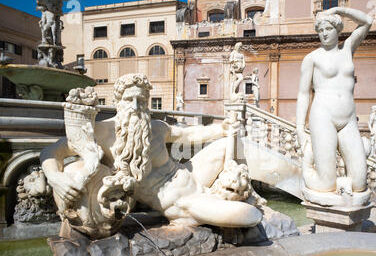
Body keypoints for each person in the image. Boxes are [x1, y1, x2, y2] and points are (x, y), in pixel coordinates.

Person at [41, 74, 262, 238]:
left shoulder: (155, 127)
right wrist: (55, 178)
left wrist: (221, 129)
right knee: (249, 215)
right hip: (183, 202)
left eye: (142, 100)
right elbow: (52, 151)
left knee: (226, 144)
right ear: (118, 102)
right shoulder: (102, 132)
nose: (136, 107)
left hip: (191, 177)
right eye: (129, 100)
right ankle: (214, 205)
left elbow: (187, 134)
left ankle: (247, 188)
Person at [296, 7, 373, 193]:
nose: (324, 34)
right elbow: (303, 93)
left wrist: (338, 9)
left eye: (328, 29)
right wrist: (299, 127)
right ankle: (307, 165)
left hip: (348, 119)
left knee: (360, 183)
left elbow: (367, 21)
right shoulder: (312, 58)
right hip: (323, 117)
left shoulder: (348, 49)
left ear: (338, 30)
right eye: (320, 30)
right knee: (325, 185)